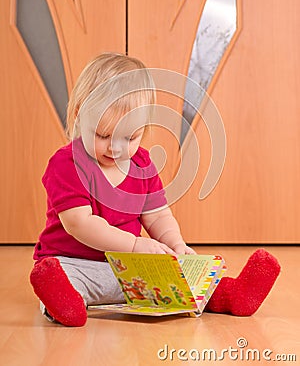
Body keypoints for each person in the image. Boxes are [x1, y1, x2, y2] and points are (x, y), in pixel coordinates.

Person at [30, 53, 280, 327]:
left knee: (177, 279)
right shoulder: (68, 164)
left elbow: (158, 216)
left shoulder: (142, 164)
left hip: (130, 268)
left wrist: (176, 245)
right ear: (80, 115)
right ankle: (63, 302)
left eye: (130, 137)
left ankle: (231, 295)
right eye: (103, 135)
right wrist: (136, 245)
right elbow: (79, 223)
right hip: (76, 263)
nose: (115, 148)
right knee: (64, 278)